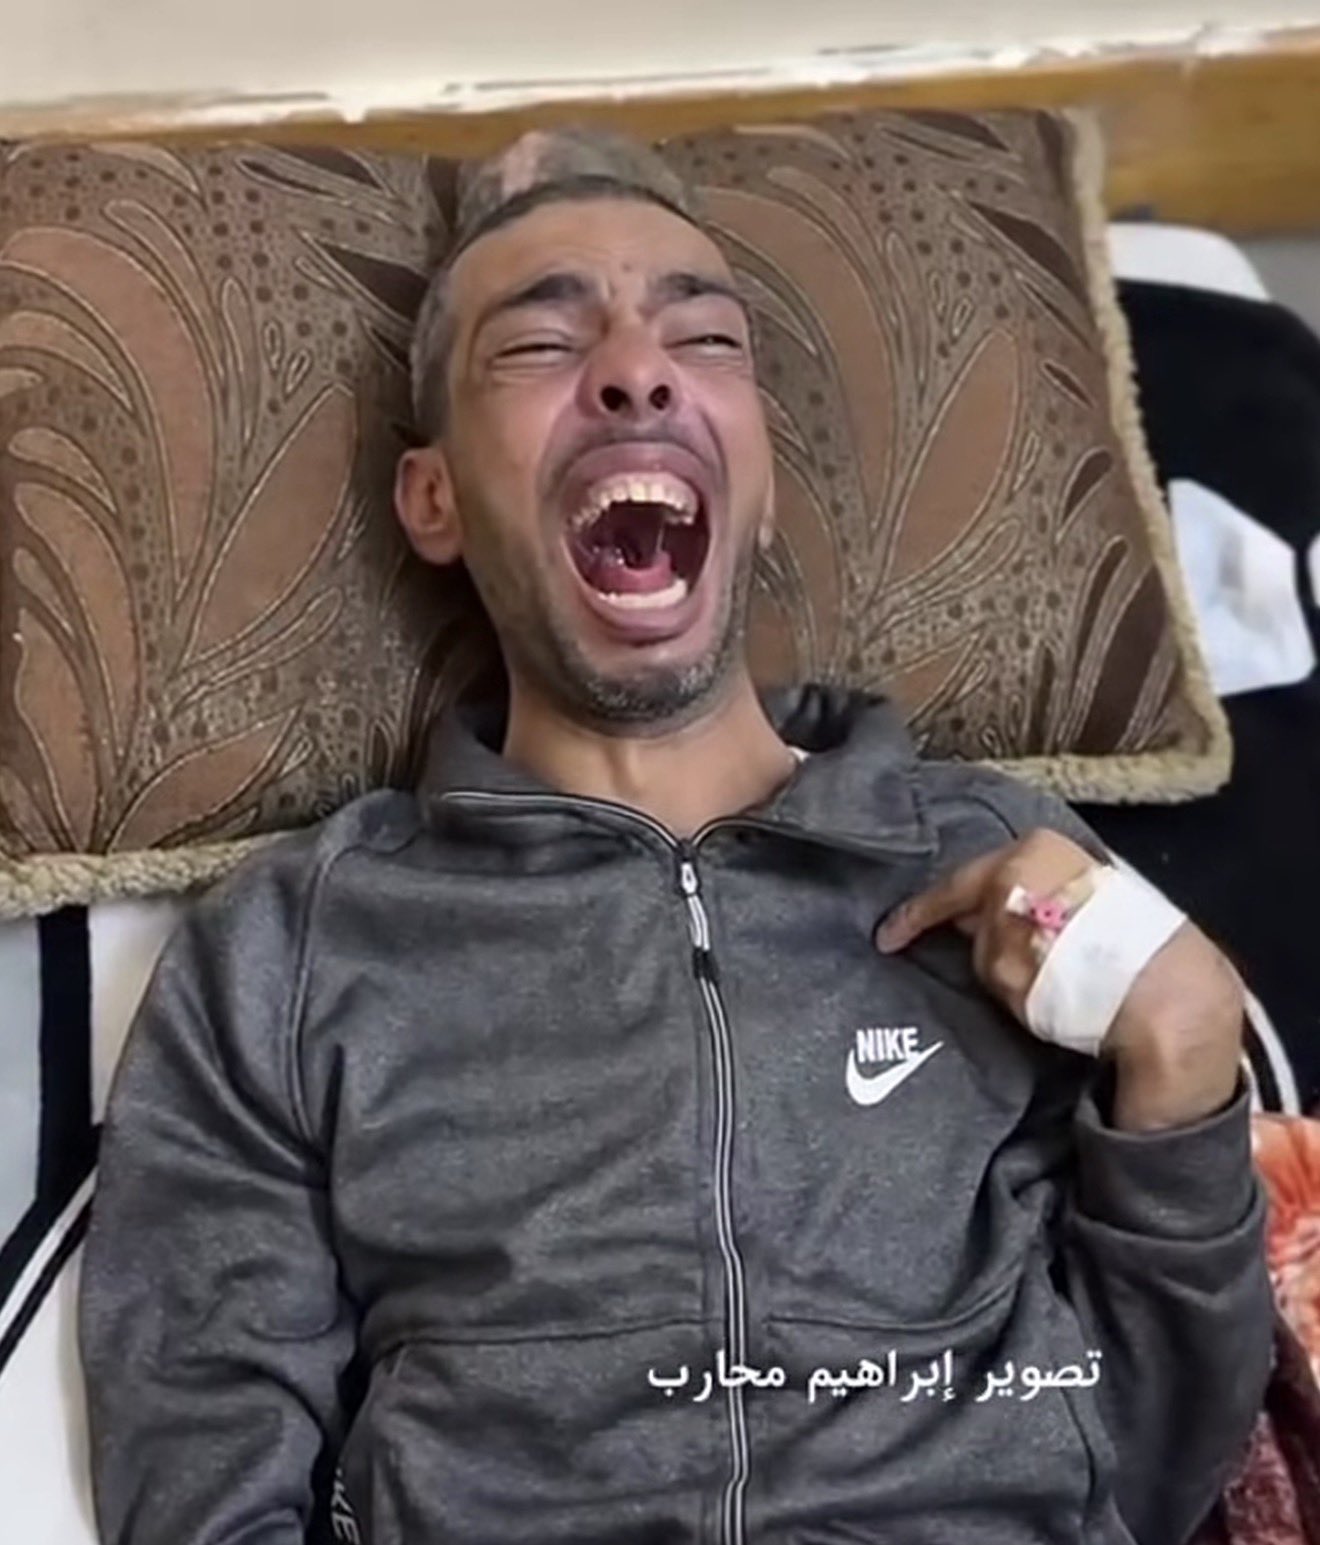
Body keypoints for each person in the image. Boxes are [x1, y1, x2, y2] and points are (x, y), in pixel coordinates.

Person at [79, 127, 1272, 1545]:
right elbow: (202, 1473)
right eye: (539, 345)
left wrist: (1184, 1059)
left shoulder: (1006, 867)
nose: (638, 371)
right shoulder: (292, 948)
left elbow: (1150, 1472)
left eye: (704, 338)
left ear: (760, 491)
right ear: (435, 500)